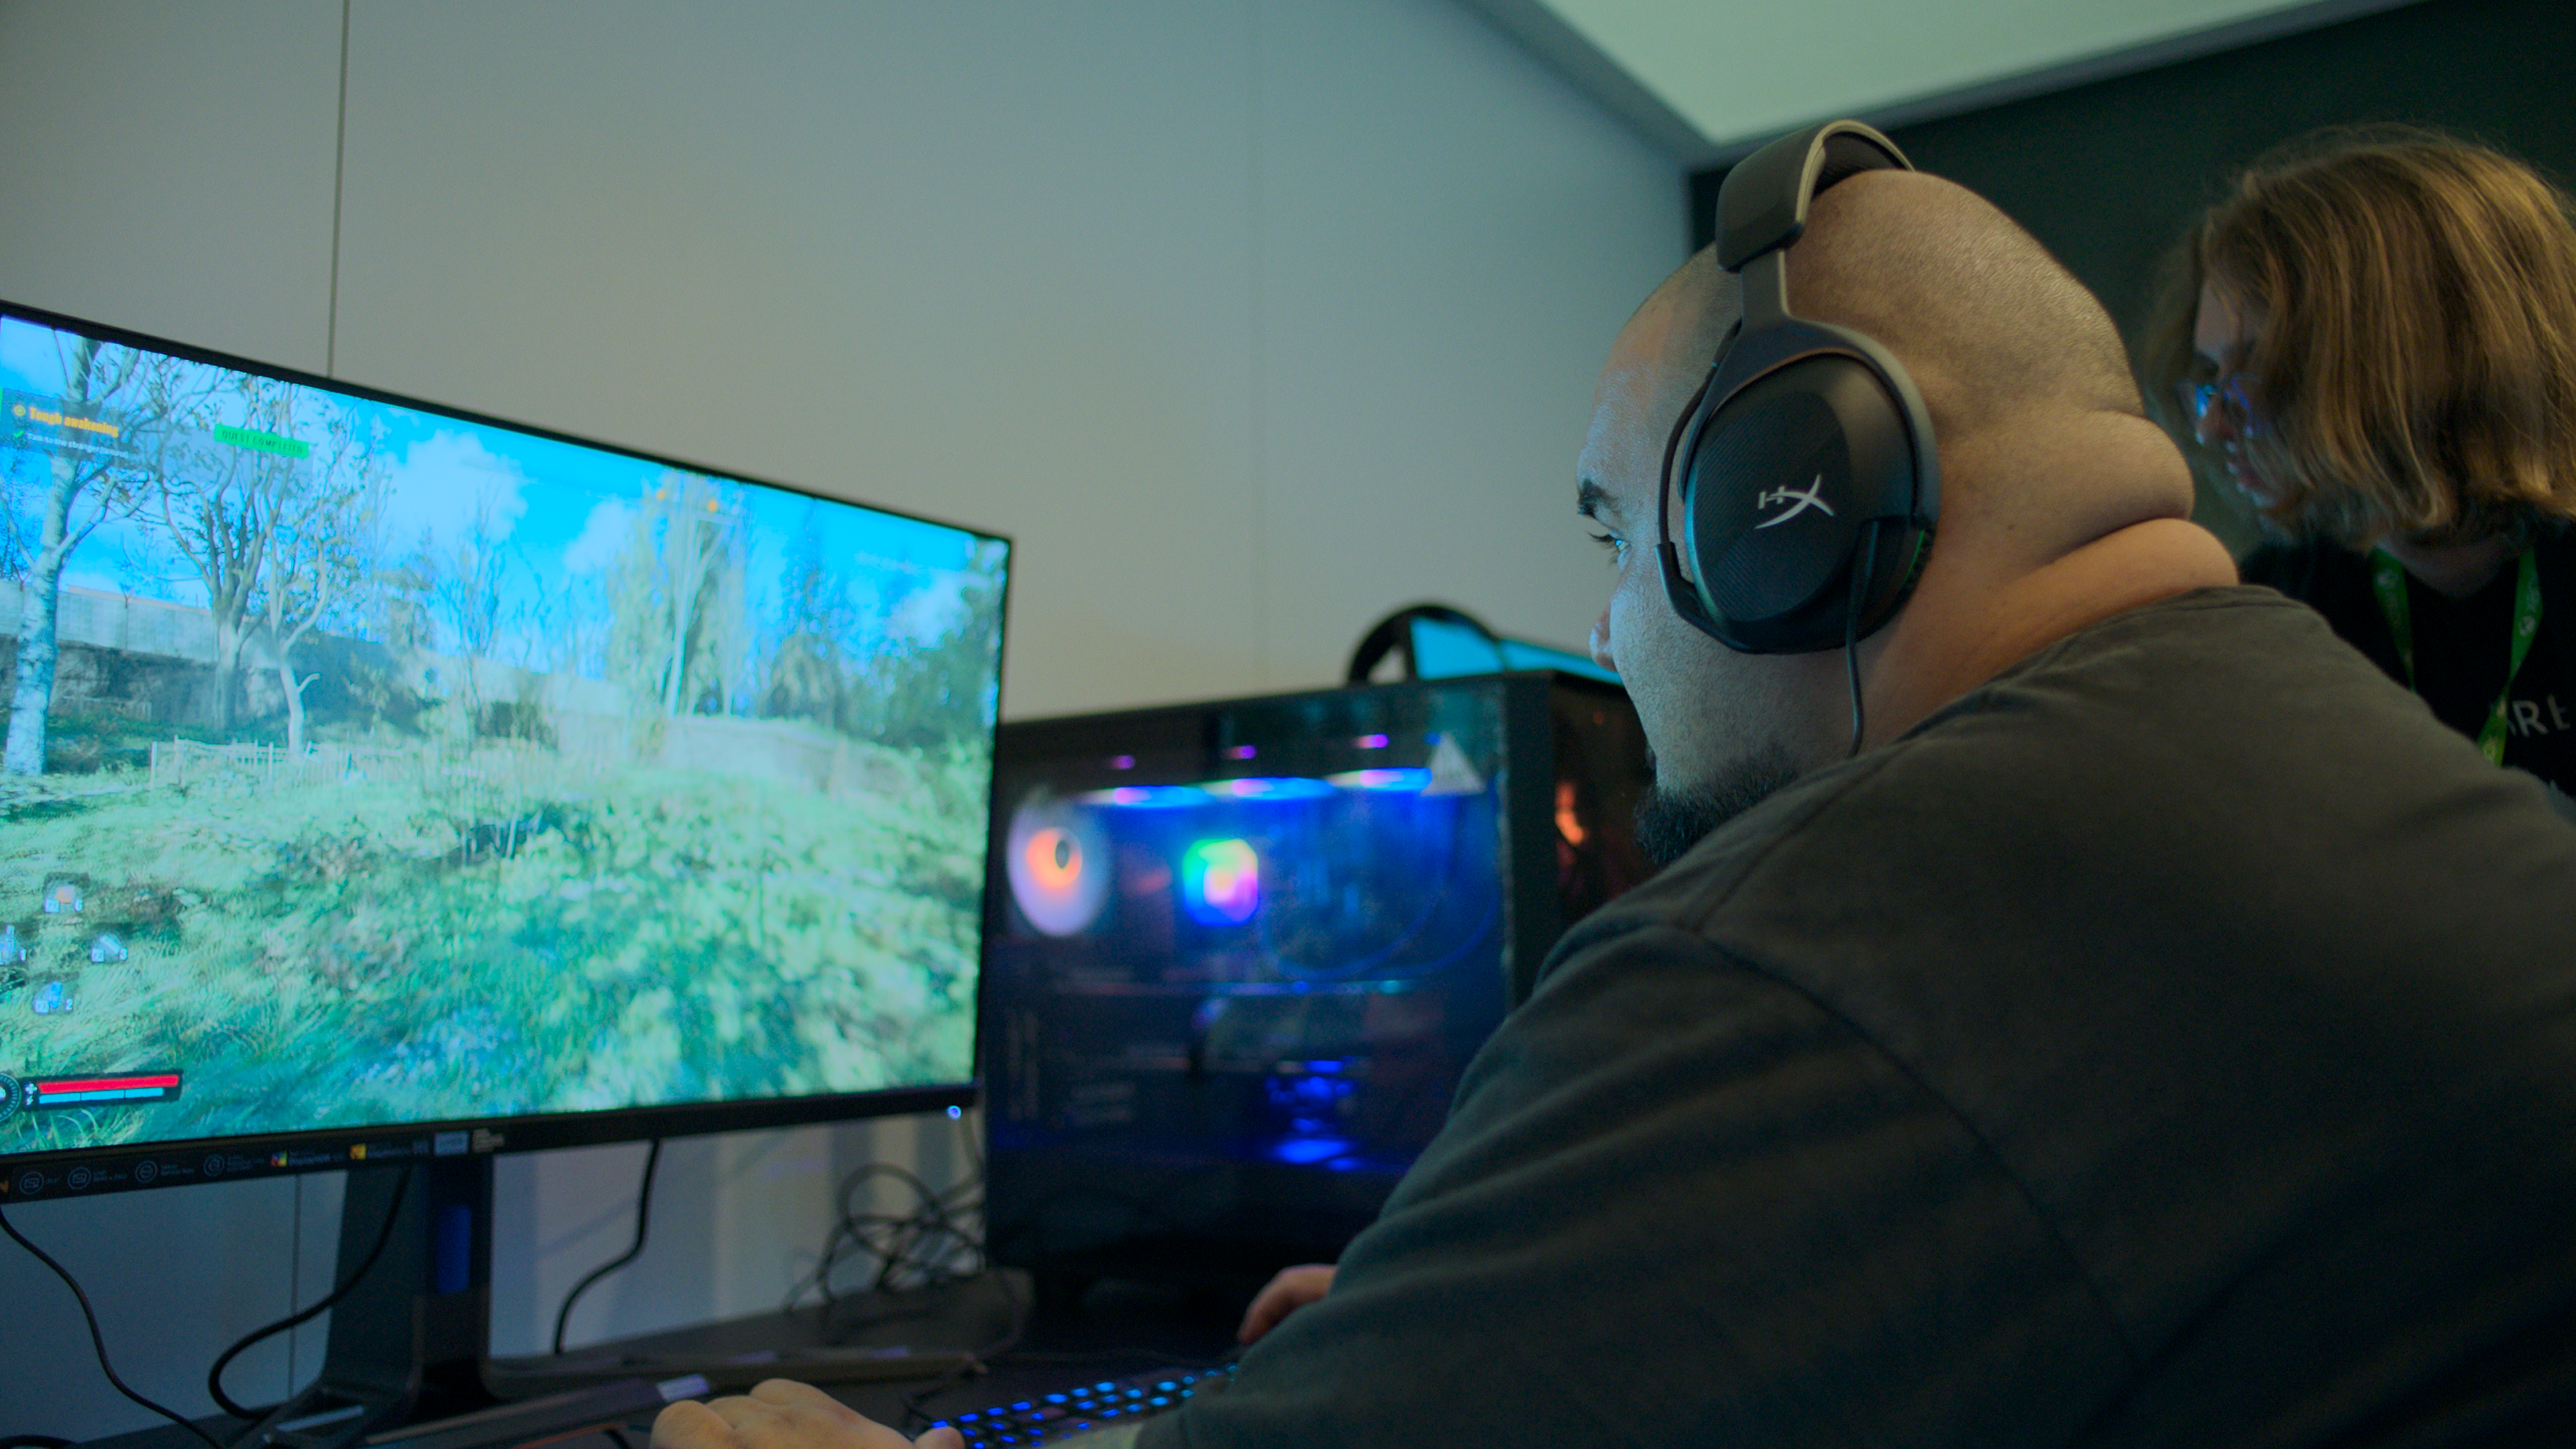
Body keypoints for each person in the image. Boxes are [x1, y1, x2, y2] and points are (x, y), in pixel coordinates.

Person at [656, 146, 2576, 1449]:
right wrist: (1497, 1309)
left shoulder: (1835, 927)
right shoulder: (2313, 753)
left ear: (1786, 506)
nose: (1597, 616)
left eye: (1613, 524)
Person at [2141, 129, 2576, 796]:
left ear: (2421, 357)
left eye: (2258, 367)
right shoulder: (2277, 610)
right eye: (2209, 375)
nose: (2211, 422)